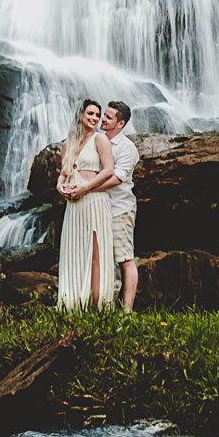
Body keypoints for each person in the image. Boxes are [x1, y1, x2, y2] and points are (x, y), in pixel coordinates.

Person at [56, 99, 115, 310]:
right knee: (74, 251)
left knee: (95, 253)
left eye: (98, 115)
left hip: (94, 201)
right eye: (90, 113)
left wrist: (86, 187)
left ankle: (97, 304)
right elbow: (63, 175)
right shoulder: (68, 145)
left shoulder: (100, 139)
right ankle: (74, 301)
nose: (94, 118)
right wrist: (60, 188)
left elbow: (109, 170)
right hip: (74, 204)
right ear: (81, 115)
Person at [95, 101, 140, 311]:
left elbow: (117, 179)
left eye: (108, 117)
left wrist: (87, 188)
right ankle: (104, 305)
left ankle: (127, 310)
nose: (103, 119)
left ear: (120, 124)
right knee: (101, 258)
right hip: (97, 208)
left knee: (124, 259)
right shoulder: (97, 140)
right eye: (104, 115)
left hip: (119, 209)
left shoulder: (127, 148)